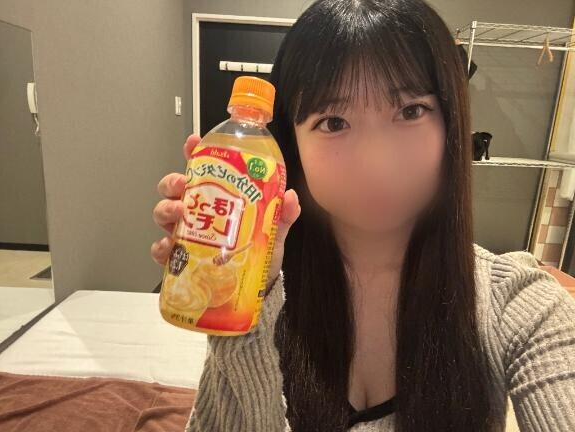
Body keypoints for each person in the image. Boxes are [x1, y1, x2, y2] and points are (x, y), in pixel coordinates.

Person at [150, 0, 575, 430]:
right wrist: (250, 300)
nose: (376, 164)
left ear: (450, 122)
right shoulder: (263, 285)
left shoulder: (520, 305)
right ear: (290, 143)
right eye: (334, 122)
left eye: (410, 111)